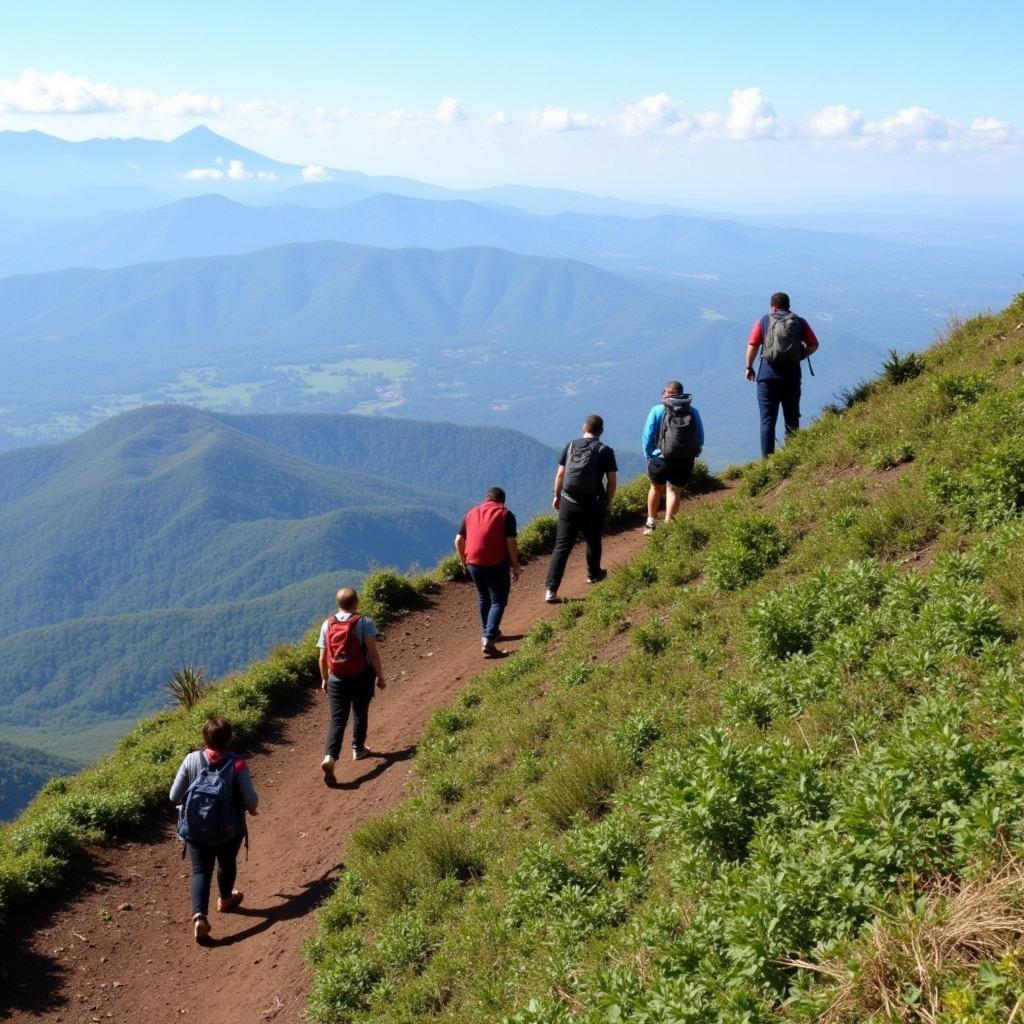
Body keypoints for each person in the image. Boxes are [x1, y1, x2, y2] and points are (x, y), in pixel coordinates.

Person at [169, 716, 259, 944]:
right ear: (229, 738)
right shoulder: (237, 763)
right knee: (227, 862)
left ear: (205, 737)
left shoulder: (191, 760)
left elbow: (174, 796)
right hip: (228, 830)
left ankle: (199, 916)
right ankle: (226, 899)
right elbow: (251, 801)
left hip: (195, 830)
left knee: (200, 871)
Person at [545, 414, 618, 603]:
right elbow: (611, 481)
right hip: (594, 503)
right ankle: (593, 574)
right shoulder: (605, 450)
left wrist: (556, 495)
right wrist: (608, 500)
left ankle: (551, 589)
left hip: (569, 502)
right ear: (601, 431)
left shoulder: (570, 446)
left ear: (584, 427)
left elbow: (561, 474)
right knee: (593, 540)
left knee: (562, 546)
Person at [318, 586, 386, 783]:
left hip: (336, 678)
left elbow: (322, 656)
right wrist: (380, 676)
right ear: (356, 602)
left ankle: (329, 757)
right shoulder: (364, 622)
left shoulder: (327, 624)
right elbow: (373, 653)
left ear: (338, 604)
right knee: (360, 711)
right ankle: (358, 749)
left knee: (337, 720)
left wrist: (324, 678)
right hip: (361, 676)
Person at [745, 291, 820, 457]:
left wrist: (749, 367)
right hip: (791, 376)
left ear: (773, 306)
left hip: (767, 377)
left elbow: (752, 345)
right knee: (792, 418)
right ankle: (792, 457)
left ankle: (767, 461)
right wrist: (799, 356)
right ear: (788, 305)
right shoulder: (799, 322)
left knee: (767, 421)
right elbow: (814, 345)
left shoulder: (764, 321)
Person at [455, 487, 521, 657]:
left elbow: (458, 540)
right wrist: (515, 565)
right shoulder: (505, 514)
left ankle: (490, 632)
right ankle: (489, 638)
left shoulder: (471, 513)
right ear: (502, 501)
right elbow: (511, 542)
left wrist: (463, 561)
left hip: (473, 563)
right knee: (499, 600)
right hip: (496, 563)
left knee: (484, 597)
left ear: (486, 499)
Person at [642, 380, 705, 535]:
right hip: (684, 459)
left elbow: (648, 434)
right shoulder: (692, 411)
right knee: (674, 490)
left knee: (656, 488)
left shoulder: (657, 410)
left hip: (660, 457)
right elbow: (700, 436)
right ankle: (669, 525)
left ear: (666, 393)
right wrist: (694, 452)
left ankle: (650, 522)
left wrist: (648, 453)